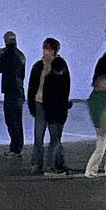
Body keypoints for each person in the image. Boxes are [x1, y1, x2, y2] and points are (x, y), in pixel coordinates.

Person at [26, 37, 73, 175]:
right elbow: (31, 86)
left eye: (50, 49)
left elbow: (64, 87)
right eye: (46, 48)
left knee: (55, 137)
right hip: (39, 104)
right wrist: (32, 105)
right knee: (38, 137)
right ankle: (37, 164)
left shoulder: (60, 65)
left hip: (54, 107)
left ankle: (53, 164)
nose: (47, 52)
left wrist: (62, 105)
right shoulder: (37, 66)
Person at [0, 32, 28, 157]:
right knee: (18, 120)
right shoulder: (21, 55)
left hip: (10, 91)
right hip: (19, 90)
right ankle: (19, 146)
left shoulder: (6, 54)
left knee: (11, 120)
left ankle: (15, 148)